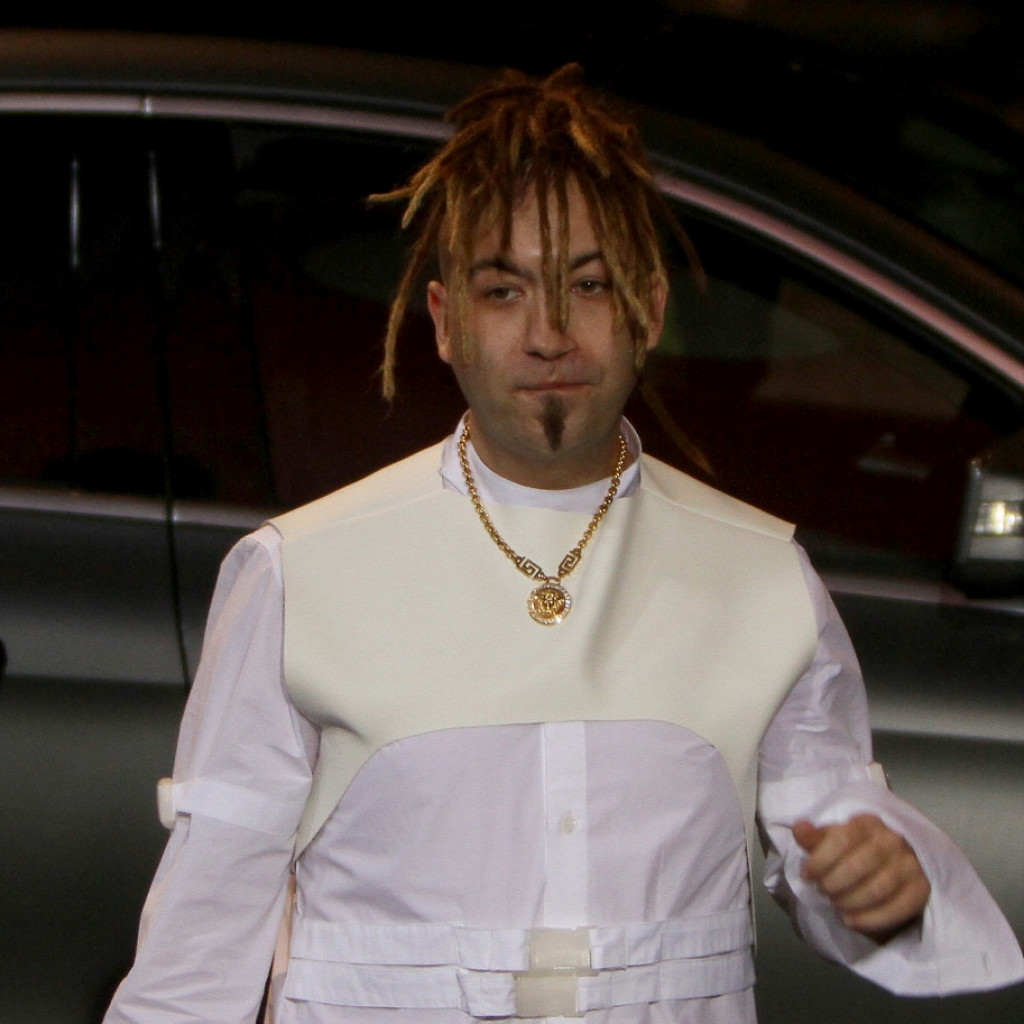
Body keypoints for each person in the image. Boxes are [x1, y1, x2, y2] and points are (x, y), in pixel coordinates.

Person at [104, 64, 1023, 1024]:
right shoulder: (303, 572)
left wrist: (885, 879)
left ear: (650, 310)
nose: (550, 335)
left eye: (589, 284)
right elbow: (200, 946)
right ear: (445, 322)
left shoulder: (759, 577)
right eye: (504, 291)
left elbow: (837, 850)